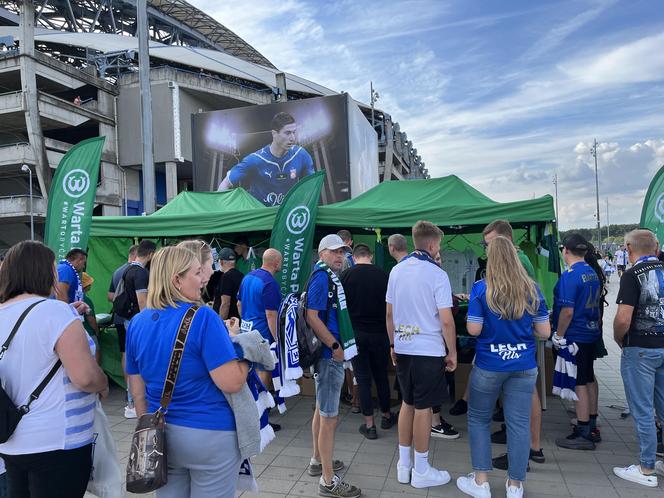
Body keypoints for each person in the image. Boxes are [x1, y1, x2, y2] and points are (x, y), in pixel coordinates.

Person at [125, 245, 249, 498]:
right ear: (176, 280)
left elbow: (137, 392)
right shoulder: (204, 317)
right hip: (210, 433)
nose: (204, 280)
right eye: (196, 273)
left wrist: (149, 430)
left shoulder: (138, 322)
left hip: (163, 435)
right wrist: (245, 353)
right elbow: (232, 382)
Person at [0, 241, 108, 498]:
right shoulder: (55, 313)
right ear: (44, 272)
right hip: (58, 440)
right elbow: (84, 377)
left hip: (12, 439)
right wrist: (102, 382)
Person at [456, 236, 550, 498]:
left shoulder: (480, 288)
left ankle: (481, 481)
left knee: (478, 419)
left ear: (492, 259)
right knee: (519, 423)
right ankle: (515, 486)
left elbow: (473, 329)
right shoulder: (532, 288)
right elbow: (544, 331)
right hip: (524, 364)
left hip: (489, 364)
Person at [386, 220, 457, 489]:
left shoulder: (396, 271)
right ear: (431, 244)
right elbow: (447, 320)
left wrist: (393, 345)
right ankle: (422, 469)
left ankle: (404, 466)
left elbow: (389, 314)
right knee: (424, 407)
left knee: (407, 403)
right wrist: (451, 352)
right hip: (428, 349)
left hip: (403, 346)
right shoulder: (437, 274)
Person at [478, 221, 546, 469]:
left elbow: (525, 300)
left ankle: (530, 449)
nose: (488, 250)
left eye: (491, 244)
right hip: (519, 343)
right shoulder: (516, 260)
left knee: (528, 396)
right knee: (520, 396)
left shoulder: (519, 261)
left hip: (518, 342)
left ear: (505, 241)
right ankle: (524, 446)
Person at [306, 234, 361, 498]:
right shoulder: (322, 277)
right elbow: (312, 316)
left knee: (321, 410)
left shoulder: (327, 276)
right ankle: (328, 481)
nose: (340, 256)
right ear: (322, 253)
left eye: (343, 252)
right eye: (335, 252)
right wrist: (335, 347)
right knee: (329, 417)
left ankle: (318, 460)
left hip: (328, 355)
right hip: (329, 355)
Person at [612, 229, 664, 486]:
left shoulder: (633, 274)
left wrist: (619, 338)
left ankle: (646, 469)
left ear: (629, 250)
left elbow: (623, 318)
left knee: (643, 409)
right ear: (656, 248)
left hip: (641, 347)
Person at [340, 243, 397, 439]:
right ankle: (387, 415)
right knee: (381, 375)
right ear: (370, 256)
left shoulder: (345, 276)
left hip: (356, 334)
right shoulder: (384, 275)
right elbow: (391, 308)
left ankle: (370, 425)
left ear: (354, 257)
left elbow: (341, 309)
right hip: (380, 333)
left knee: (362, 379)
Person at [553, 234, 602, 450]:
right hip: (591, 332)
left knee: (579, 381)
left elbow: (567, 311)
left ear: (565, 250)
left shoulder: (570, 276)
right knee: (589, 377)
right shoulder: (592, 272)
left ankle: (583, 431)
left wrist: (559, 335)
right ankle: (591, 422)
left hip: (575, 334)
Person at [218, 112, 315, 207]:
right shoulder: (255, 159)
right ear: (274, 134)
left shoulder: (301, 154)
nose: (293, 138)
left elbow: (313, 185)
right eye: (288, 133)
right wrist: (221, 209)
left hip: (286, 216)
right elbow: (226, 183)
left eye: (294, 132)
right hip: (261, 217)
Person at [236, 248, 283, 431]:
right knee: (264, 372)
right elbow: (271, 314)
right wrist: (277, 338)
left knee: (250, 372)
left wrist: (245, 322)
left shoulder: (247, 277)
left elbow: (239, 303)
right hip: (262, 333)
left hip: (246, 331)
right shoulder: (270, 283)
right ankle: (259, 415)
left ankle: (252, 411)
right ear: (276, 263)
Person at [116, 239, 157, 418]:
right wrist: (148, 323)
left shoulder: (128, 270)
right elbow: (142, 301)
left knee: (132, 359)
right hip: (138, 322)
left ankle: (131, 402)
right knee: (141, 362)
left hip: (129, 321)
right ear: (151, 254)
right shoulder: (140, 273)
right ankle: (135, 403)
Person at [216, 248, 244, 320]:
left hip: (229, 322)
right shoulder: (242, 275)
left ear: (221, 262)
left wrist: (221, 324)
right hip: (238, 320)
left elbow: (225, 304)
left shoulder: (226, 277)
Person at [81, 272, 101, 364]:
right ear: (86, 285)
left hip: (79, 333)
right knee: (96, 355)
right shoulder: (86, 300)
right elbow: (91, 319)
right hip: (89, 332)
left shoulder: (75, 297)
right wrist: (96, 330)